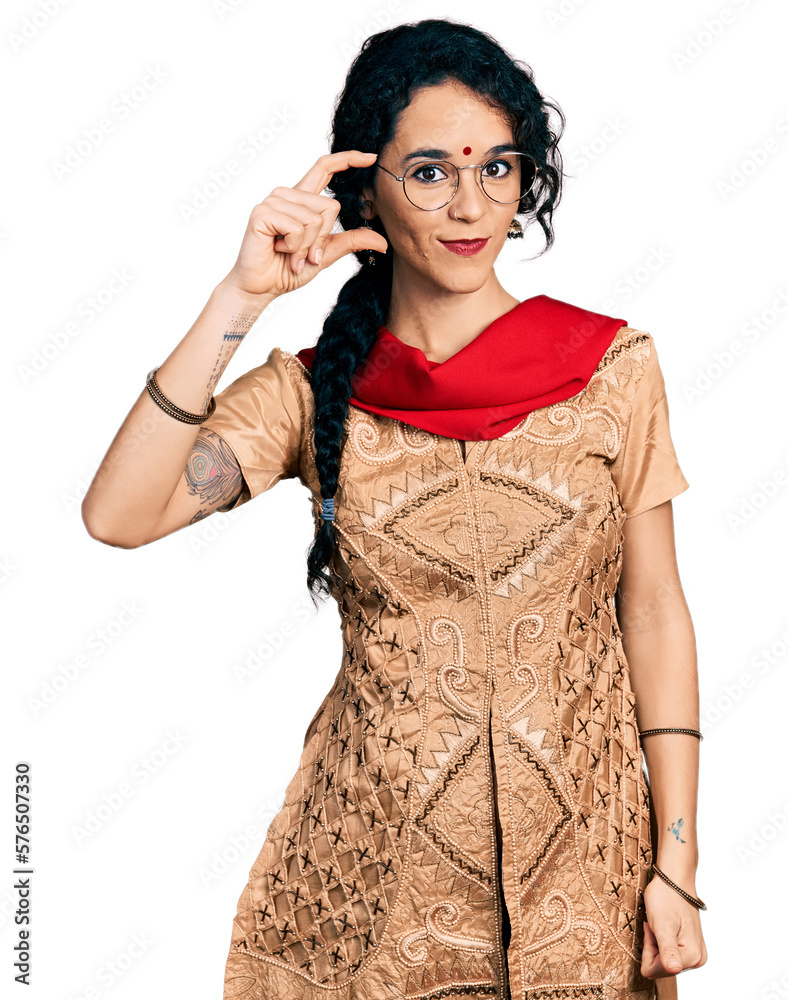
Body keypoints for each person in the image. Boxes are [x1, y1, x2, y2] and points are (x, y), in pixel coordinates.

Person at [81, 17, 707, 1000]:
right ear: (365, 186)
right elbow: (117, 514)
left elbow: (656, 610)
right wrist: (239, 296)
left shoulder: (609, 371)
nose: (468, 204)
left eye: (496, 169)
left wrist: (676, 861)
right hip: (371, 898)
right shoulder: (311, 392)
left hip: (586, 885)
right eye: (427, 173)